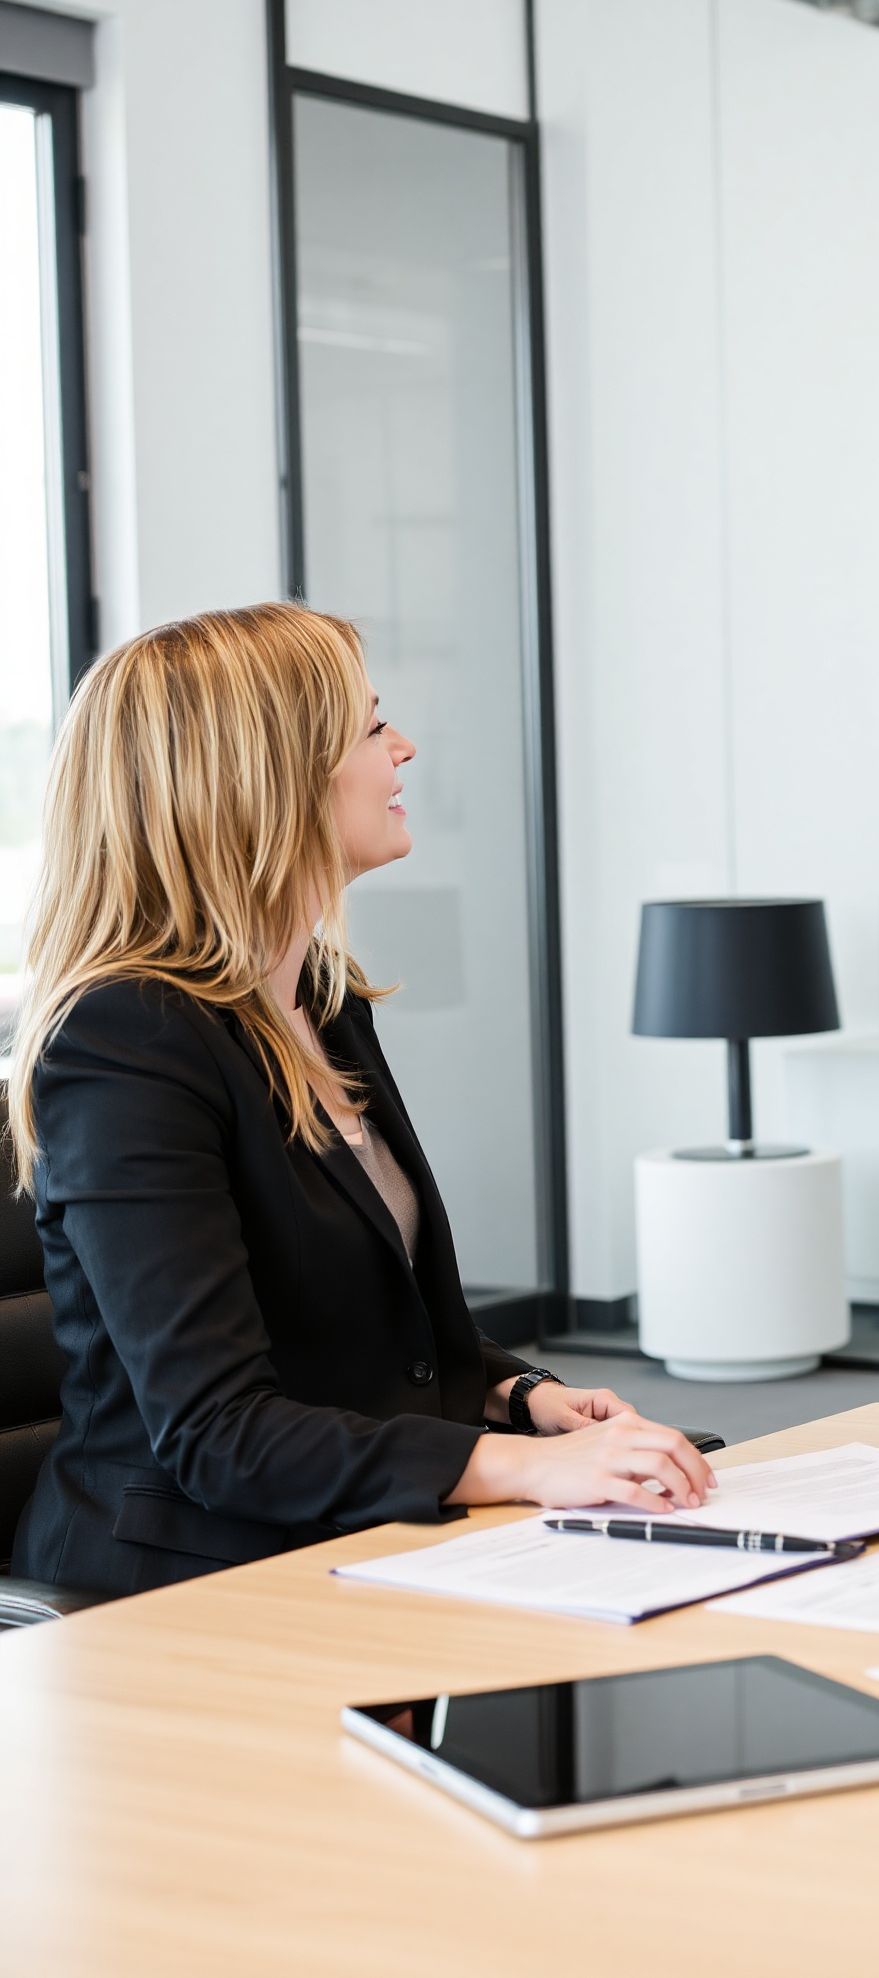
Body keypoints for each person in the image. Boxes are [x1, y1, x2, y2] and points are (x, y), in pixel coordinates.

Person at [8, 603, 715, 1597]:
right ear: (267, 778)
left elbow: (358, 1327)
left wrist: (520, 1397)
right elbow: (219, 1431)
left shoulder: (321, 1000)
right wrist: (520, 1470)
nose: (405, 748)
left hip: (352, 1540)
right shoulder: (126, 1040)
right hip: (183, 1588)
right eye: (372, 726)